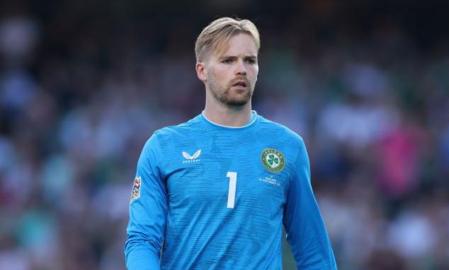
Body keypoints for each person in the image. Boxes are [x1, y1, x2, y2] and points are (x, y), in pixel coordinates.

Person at [124, 17, 337, 269]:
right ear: (201, 70)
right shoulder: (163, 147)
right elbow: (142, 240)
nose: (241, 69)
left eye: (250, 60)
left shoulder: (288, 147)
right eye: (228, 60)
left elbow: (313, 251)